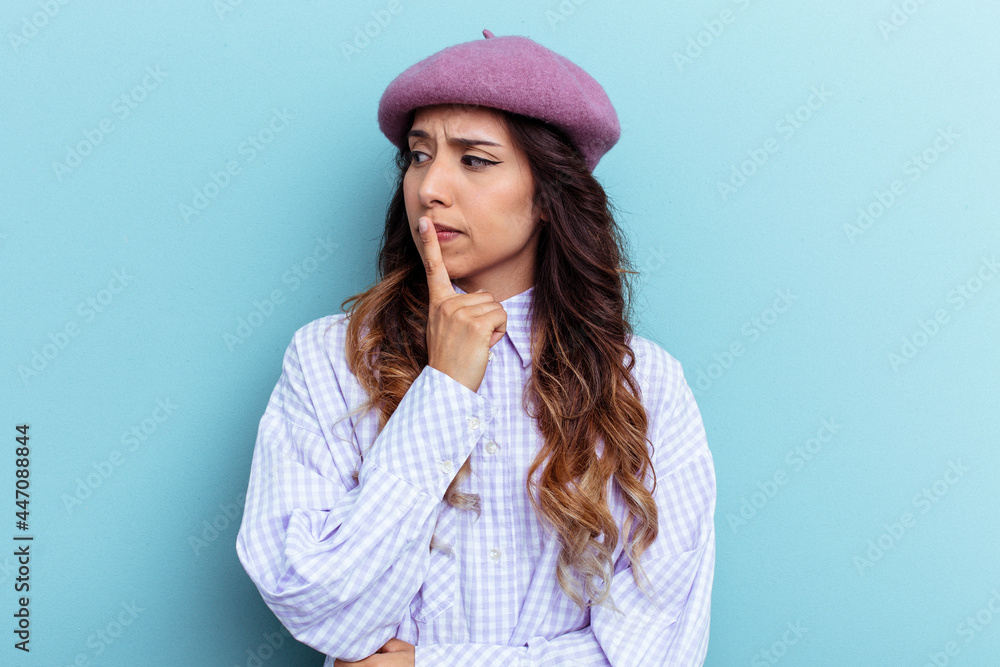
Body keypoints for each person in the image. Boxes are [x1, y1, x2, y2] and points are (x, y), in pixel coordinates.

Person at [236, 29, 716, 666]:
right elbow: (319, 601)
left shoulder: (644, 383)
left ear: (550, 195)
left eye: (474, 160)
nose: (429, 187)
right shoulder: (330, 358)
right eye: (417, 156)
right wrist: (444, 389)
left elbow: (659, 651)